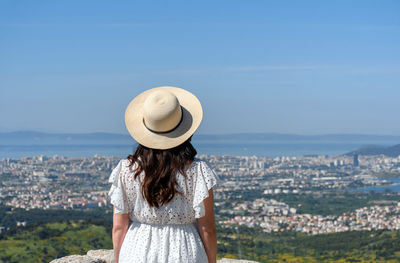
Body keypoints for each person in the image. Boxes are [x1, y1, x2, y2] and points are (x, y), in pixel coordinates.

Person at [108, 86, 219, 263]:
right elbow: (207, 228)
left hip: (136, 251)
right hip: (185, 251)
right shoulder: (198, 171)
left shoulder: (127, 170)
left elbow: (119, 227)